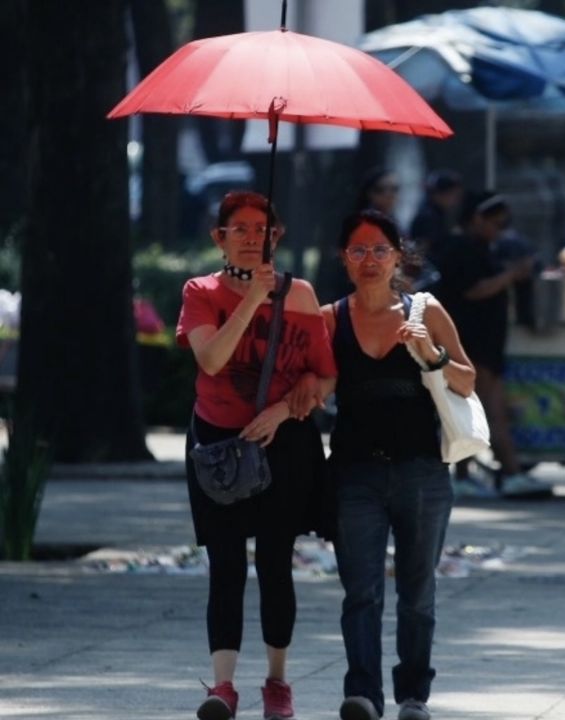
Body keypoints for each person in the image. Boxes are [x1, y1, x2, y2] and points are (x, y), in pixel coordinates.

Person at [303, 209, 476, 720]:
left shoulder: (425, 309)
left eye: (380, 249)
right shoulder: (330, 318)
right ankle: (363, 694)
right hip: (354, 474)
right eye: (358, 250)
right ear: (344, 258)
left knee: (417, 594)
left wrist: (429, 352)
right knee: (361, 592)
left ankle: (414, 695)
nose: (370, 260)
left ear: (398, 256)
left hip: (422, 472)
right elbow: (316, 384)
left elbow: (467, 381)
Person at [176, 191, 337, 720]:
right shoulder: (200, 292)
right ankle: (223, 687)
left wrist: (289, 406)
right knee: (225, 565)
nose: (251, 238)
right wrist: (252, 299)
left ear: (277, 236)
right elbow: (212, 358)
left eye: (261, 229)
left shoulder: (302, 295)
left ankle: (277, 682)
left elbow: (326, 375)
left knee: (274, 562)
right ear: (218, 239)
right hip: (218, 443)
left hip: (282, 442)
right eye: (239, 229)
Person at [435, 192, 550, 497]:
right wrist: (511, 275)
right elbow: (474, 290)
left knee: (470, 411)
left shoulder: (483, 248)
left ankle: (465, 475)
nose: (499, 230)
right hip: (473, 345)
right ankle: (509, 473)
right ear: (477, 219)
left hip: (483, 344)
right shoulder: (460, 248)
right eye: (495, 224)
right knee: (490, 409)